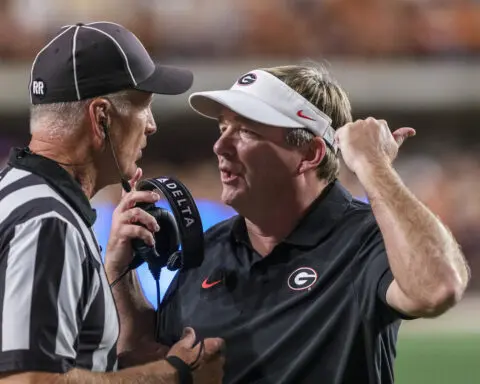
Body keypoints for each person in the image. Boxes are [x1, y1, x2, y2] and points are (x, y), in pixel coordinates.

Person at [107, 64, 470, 383]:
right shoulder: (206, 250)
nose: (220, 146)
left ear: (309, 154)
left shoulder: (362, 239)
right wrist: (120, 274)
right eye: (222, 128)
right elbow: (143, 360)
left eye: (246, 131)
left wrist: (374, 165)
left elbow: (437, 289)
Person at [0, 22, 224, 383]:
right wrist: (173, 374)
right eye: (143, 106)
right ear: (101, 117)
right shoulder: (47, 222)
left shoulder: (21, 195)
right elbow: (28, 380)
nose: (151, 125)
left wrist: (115, 273)